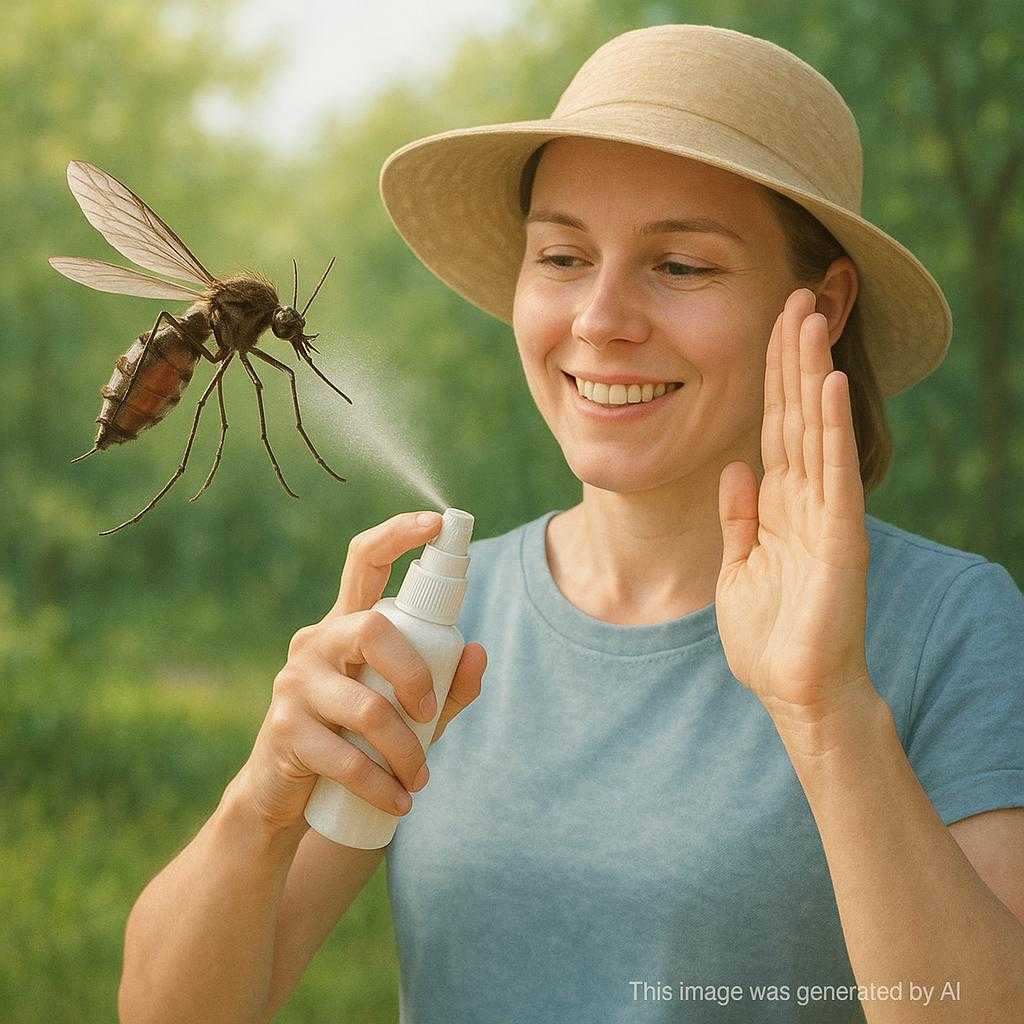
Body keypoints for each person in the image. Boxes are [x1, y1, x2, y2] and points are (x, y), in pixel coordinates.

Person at [118, 23, 1024, 1024]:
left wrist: (826, 712)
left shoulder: (947, 623)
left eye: (680, 266)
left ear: (823, 300)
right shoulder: (445, 635)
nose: (600, 318)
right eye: (560, 254)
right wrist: (265, 796)